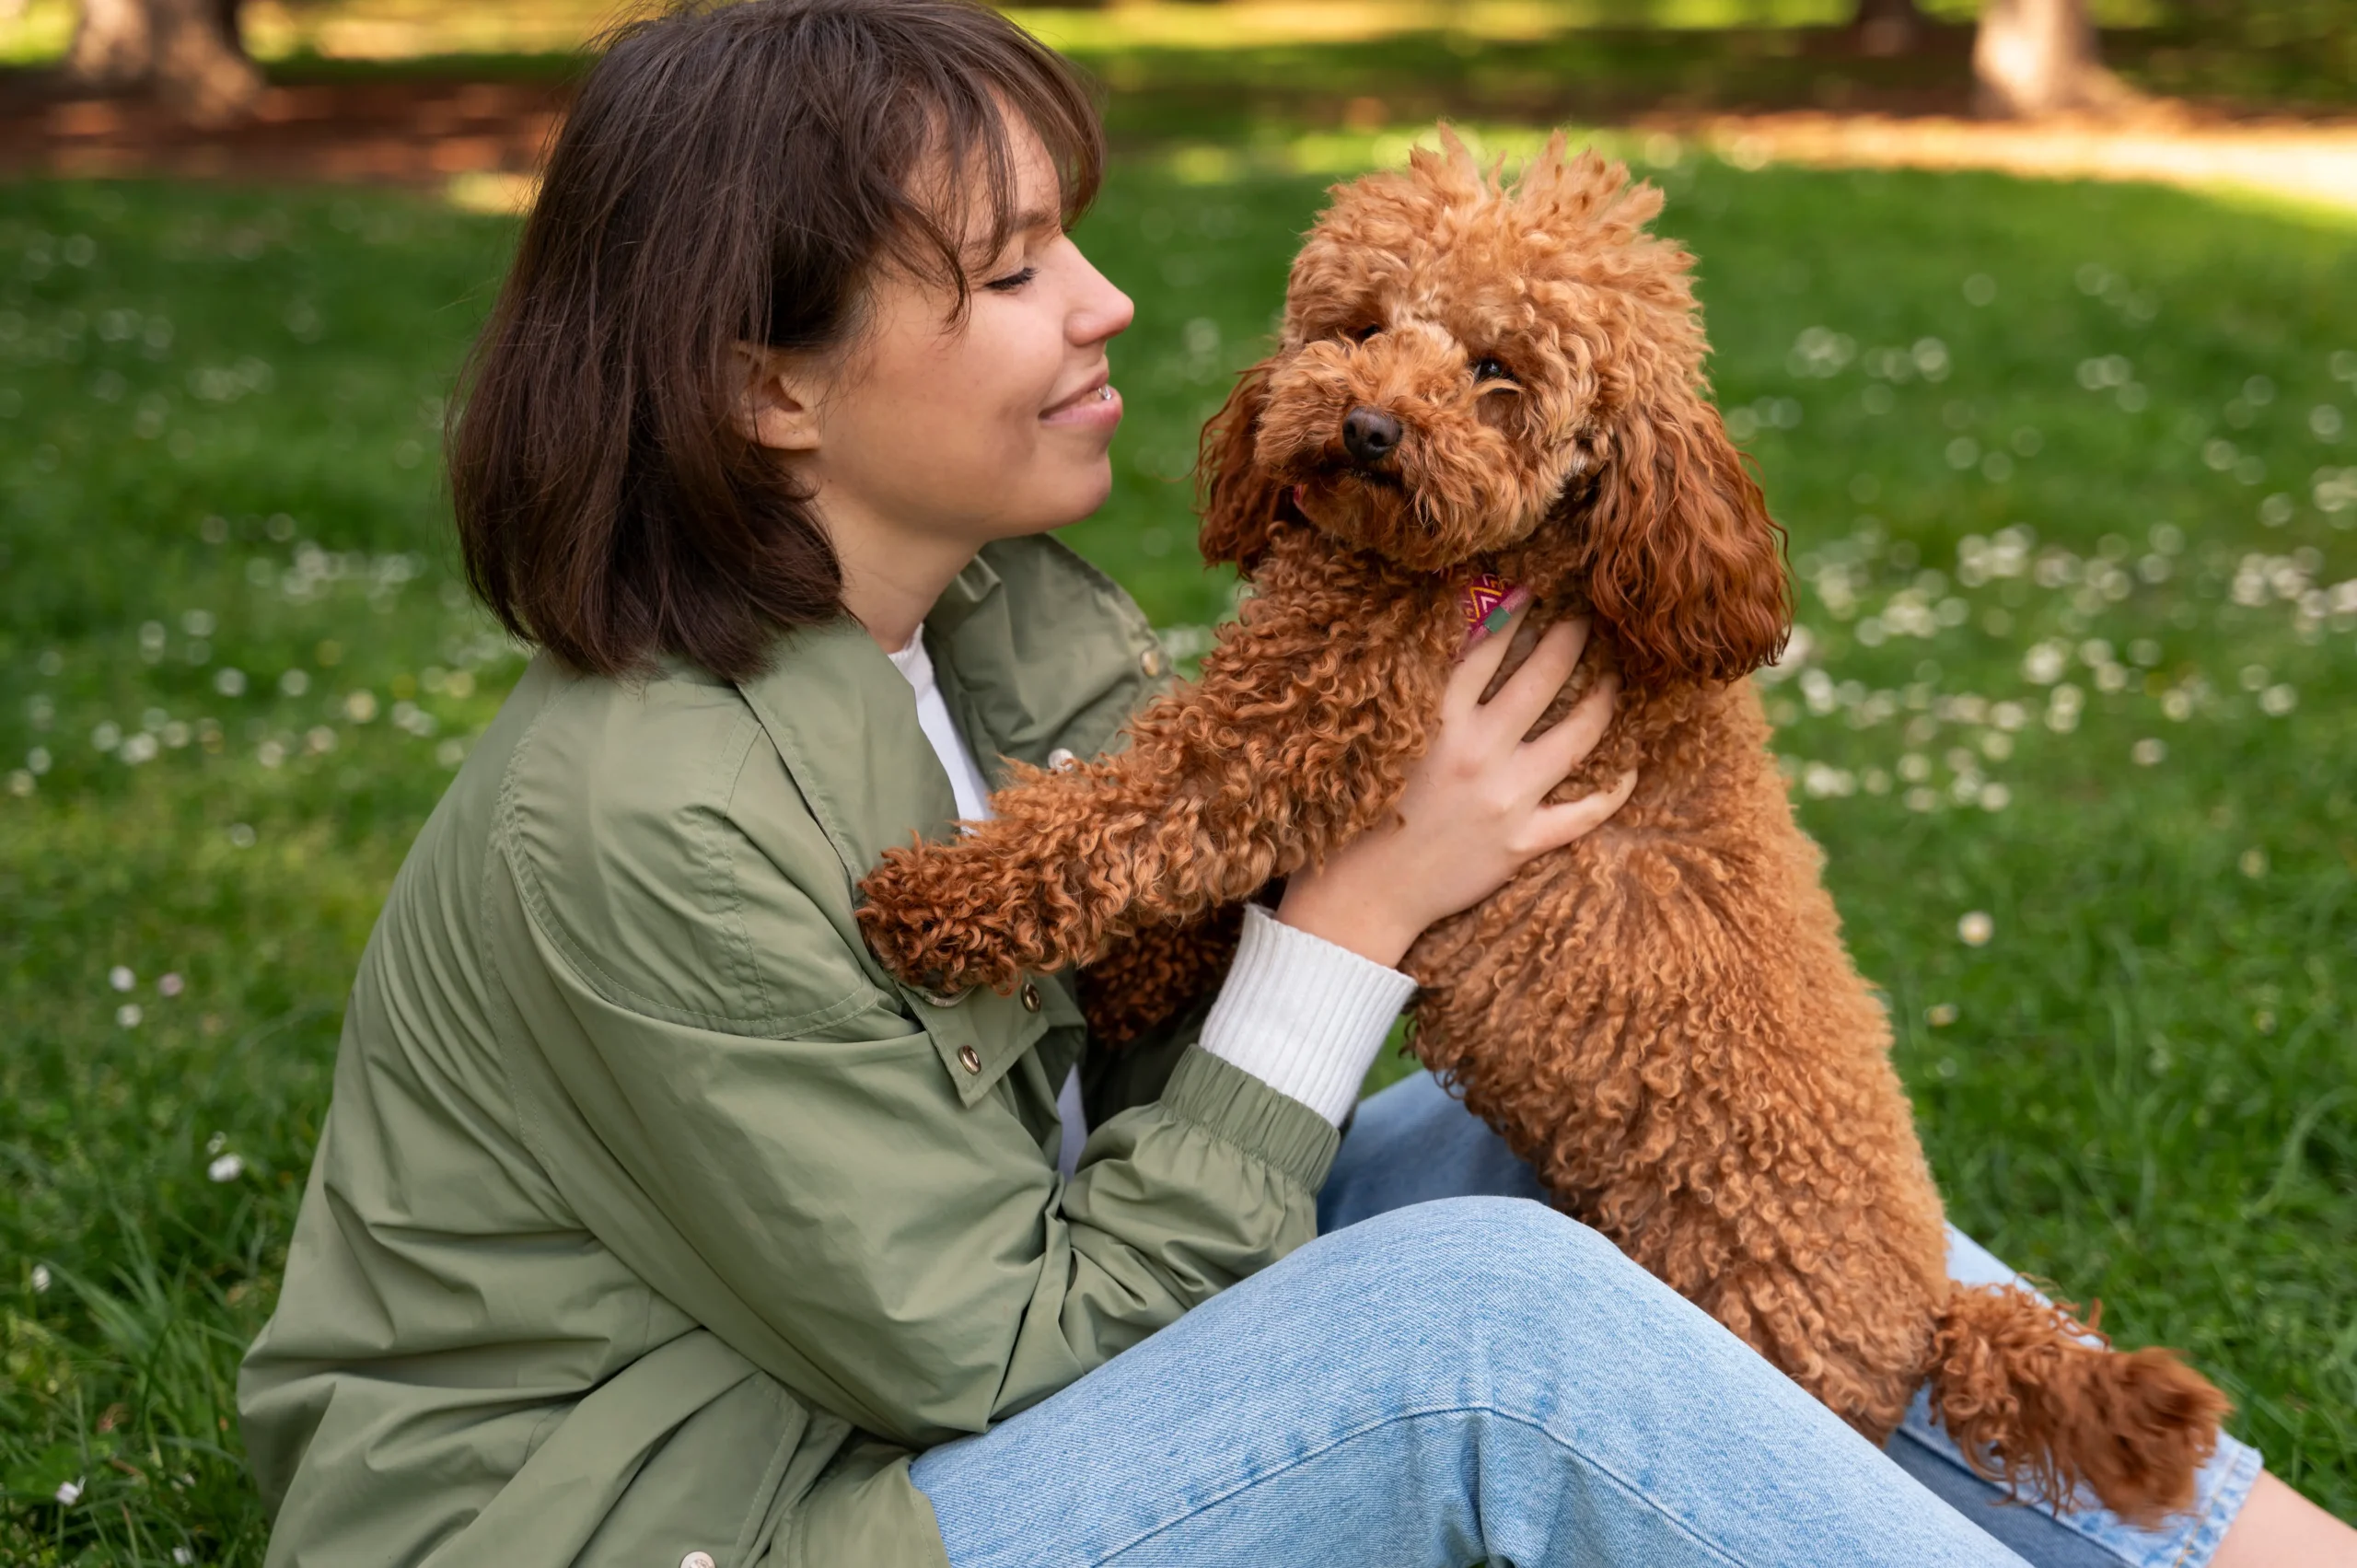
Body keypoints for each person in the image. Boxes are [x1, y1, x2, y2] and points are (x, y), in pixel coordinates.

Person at [237, 2, 2356, 1564]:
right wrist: (1360, 905)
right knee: (1478, 1327)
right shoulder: (640, 819)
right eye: (1011, 271)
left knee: (1606, 1154)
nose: (1108, 302)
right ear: (766, 385)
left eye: (1072, 240)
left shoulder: (996, 621)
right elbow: (989, 1350)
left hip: (924, 1381)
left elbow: (1140, 1093)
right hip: (723, 1516)